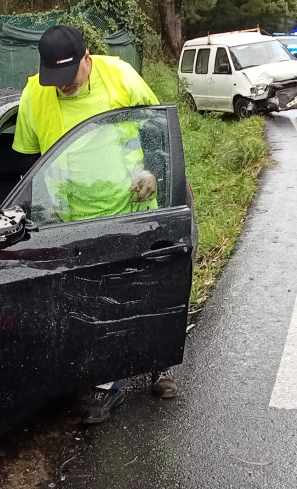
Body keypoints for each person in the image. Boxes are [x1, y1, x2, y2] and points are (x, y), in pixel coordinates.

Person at [12, 24, 180, 423]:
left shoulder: (121, 76)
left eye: (69, 79)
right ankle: (108, 386)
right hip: (76, 220)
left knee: (146, 289)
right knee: (98, 303)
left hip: (132, 207)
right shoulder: (35, 92)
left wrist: (156, 172)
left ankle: (159, 364)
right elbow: (25, 160)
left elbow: (157, 129)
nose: (64, 88)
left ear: (87, 58)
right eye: (56, 81)